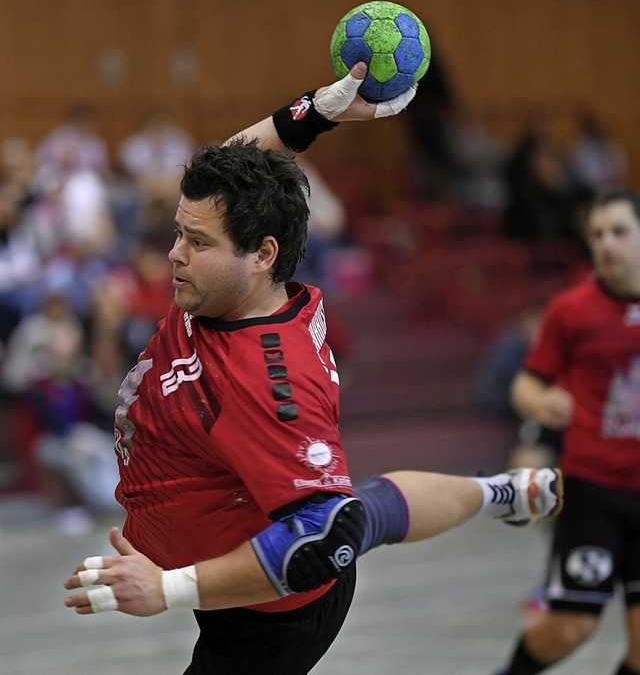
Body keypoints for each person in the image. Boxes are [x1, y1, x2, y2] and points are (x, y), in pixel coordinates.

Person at [63, 63, 563, 675]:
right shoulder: (227, 284)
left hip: (268, 613)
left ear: (262, 254)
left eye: (196, 242)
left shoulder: (267, 380)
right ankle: (500, 491)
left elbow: (328, 535)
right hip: (221, 541)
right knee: (377, 507)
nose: (174, 254)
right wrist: (316, 111)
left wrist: (169, 588)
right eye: (178, 233)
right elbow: (227, 167)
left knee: (352, 515)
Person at [495, 187, 640, 675]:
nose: (607, 244)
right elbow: (526, 385)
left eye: (619, 231)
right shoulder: (572, 310)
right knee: (571, 627)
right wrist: (542, 401)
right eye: (597, 234)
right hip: (593, 492)